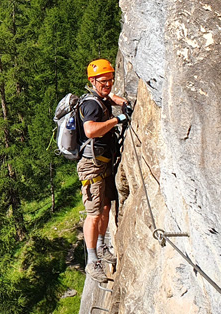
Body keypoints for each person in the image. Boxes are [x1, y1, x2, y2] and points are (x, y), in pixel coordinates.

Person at [77, 59, 132, 282]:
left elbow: (110, 97)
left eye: (110, 80)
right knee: (94, 213)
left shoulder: (101, 96)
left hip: (104, 162)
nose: (107, 84)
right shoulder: (90, 105)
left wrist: (122, 102)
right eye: (103, 81)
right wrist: (117, 119)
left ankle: (100, 247)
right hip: (91, 166)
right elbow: (90, 130)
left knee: (106, 204)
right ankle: (92, 262)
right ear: (92, 81)